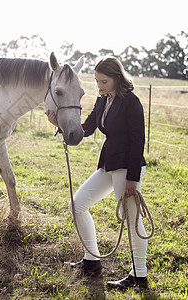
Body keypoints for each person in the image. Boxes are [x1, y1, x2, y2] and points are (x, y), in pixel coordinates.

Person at [46, 57, 148, 291]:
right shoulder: (103, 100)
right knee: (77, 205)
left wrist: (133, 178)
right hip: (109, 164)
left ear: (116, 78)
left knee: (132, 219)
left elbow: (138, 141)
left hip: (127, 168)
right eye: (97, 81)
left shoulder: (132, 102)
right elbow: (88, 127)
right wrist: (61, 126)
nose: (99, 86)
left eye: (104, 81)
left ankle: (139, 276)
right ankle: (91, 261)